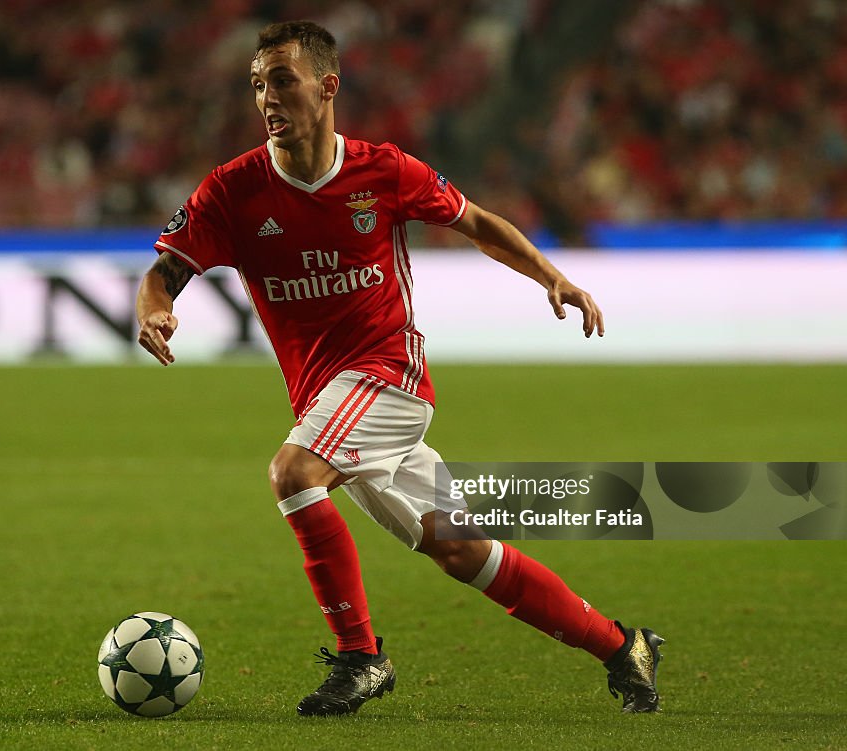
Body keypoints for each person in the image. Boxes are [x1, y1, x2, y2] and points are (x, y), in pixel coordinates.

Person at [136, 20, 663, 717]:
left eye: (283, 80)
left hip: (389, 375)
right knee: (462, 551)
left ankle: (361, 656)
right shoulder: (233, 190)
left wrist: (550, 276)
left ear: (328, 86)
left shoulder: (382, 171)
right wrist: (155, 309)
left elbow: (475, 222)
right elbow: (166, 270)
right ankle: (623, 645)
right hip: (329, 399)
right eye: (258, 83)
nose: (267, 96)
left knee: (293, 473)